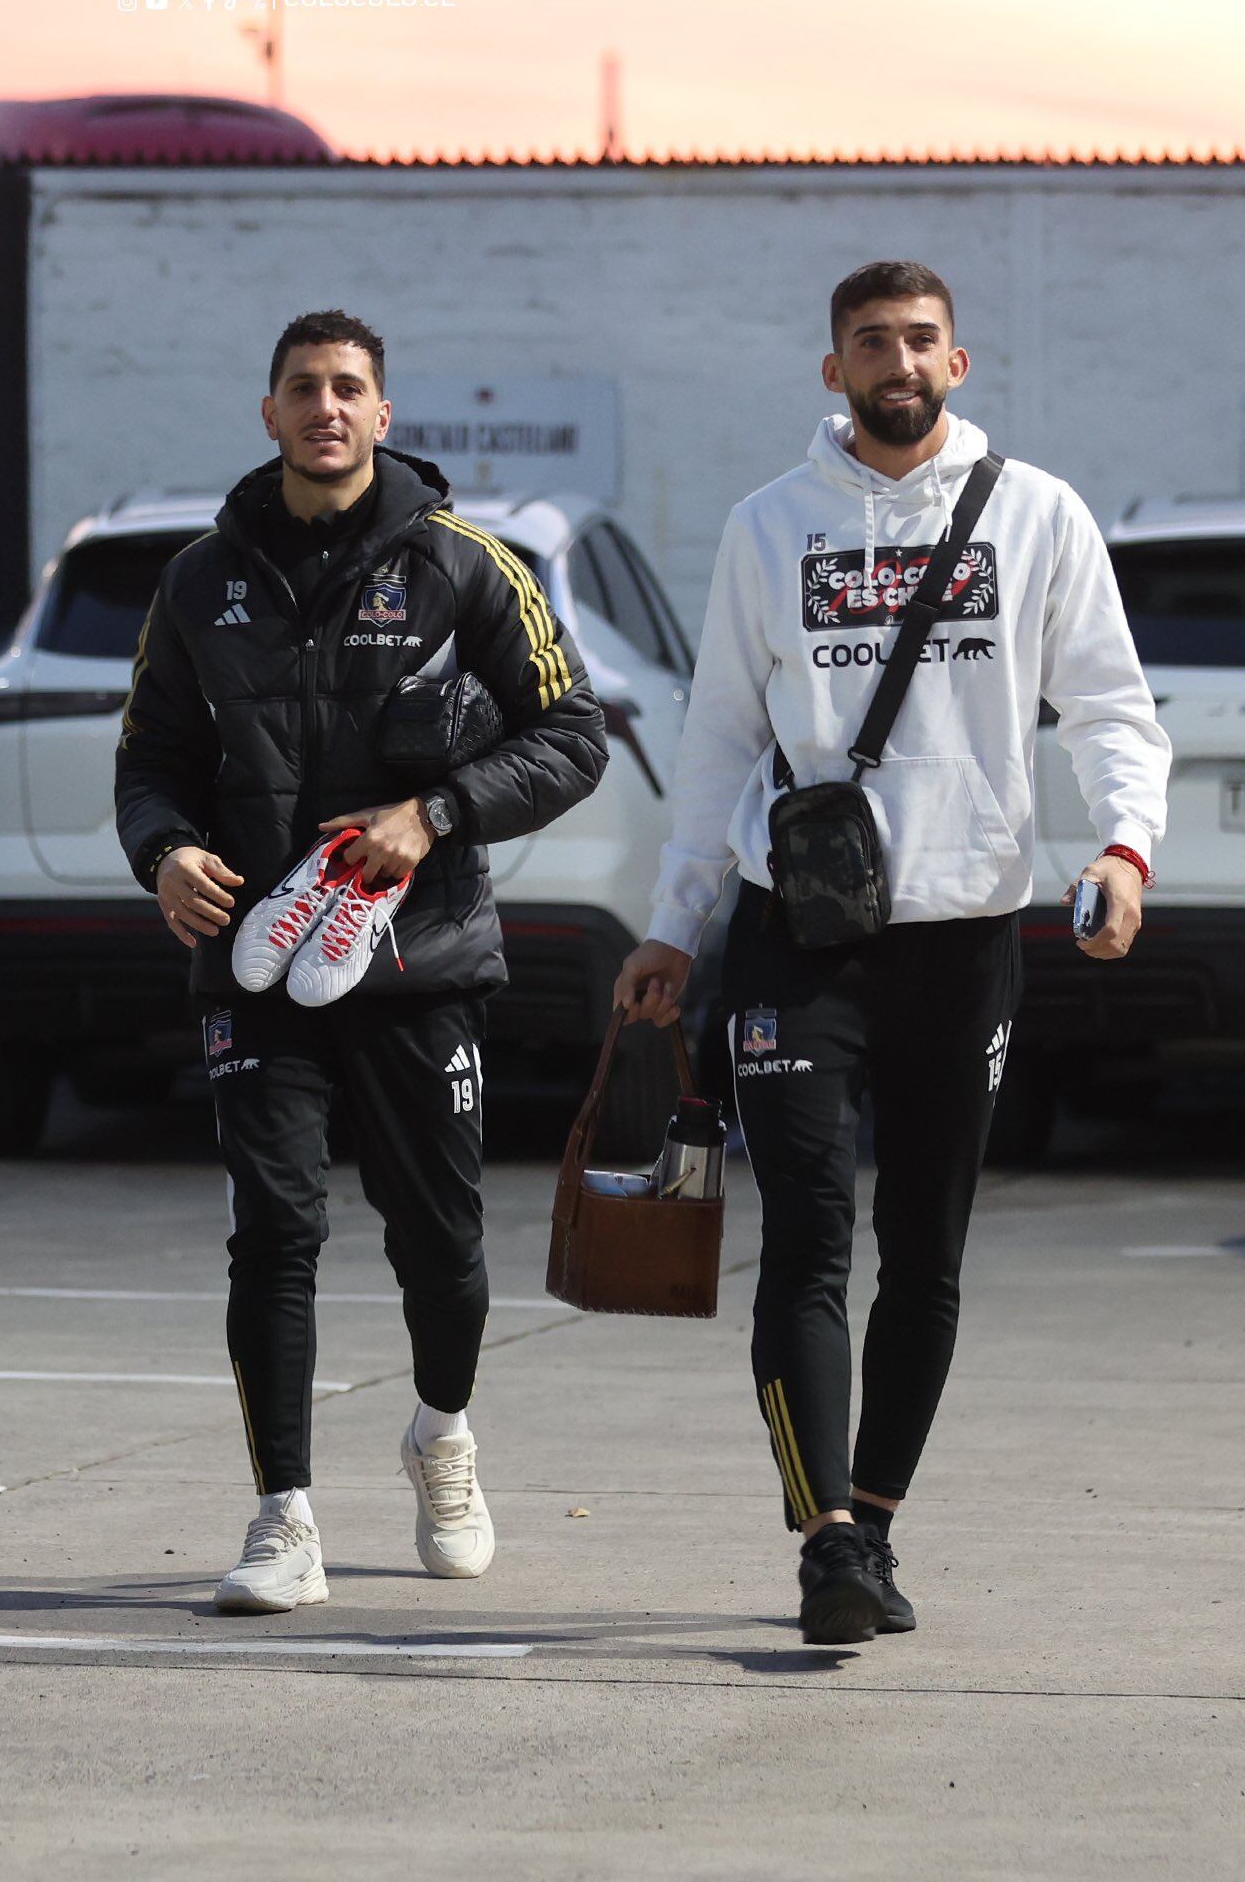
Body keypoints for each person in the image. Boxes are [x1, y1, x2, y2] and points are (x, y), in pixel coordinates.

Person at [613, 260, 1170, 1643]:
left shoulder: (1038, 517)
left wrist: (1122, 847)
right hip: (798, 937)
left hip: (964, 937)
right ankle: (827, 1545)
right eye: (872, 342)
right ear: (835, 372)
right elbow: (718, 741)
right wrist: (677, 929)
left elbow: (1110, 707)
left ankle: (875, 1519)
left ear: (957, 363)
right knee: (806, 1236)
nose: (899, 361)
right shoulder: (768, 528)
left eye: (921, 340)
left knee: (925, 1255)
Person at [116, 309, 609, 1612]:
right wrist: (163, 850)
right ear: (267, 414)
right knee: (273, 1230)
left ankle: (442, 1436)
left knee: (441, 1245)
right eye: (301, 389)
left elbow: (573, 733)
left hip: (419, 960)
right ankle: (285, 1516)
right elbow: (150, 758)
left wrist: (434, 813)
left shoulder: (466, 570)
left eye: (348, 389)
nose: (325, 408)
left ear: (385, 416)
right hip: (254, 967)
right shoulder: (198, 581)